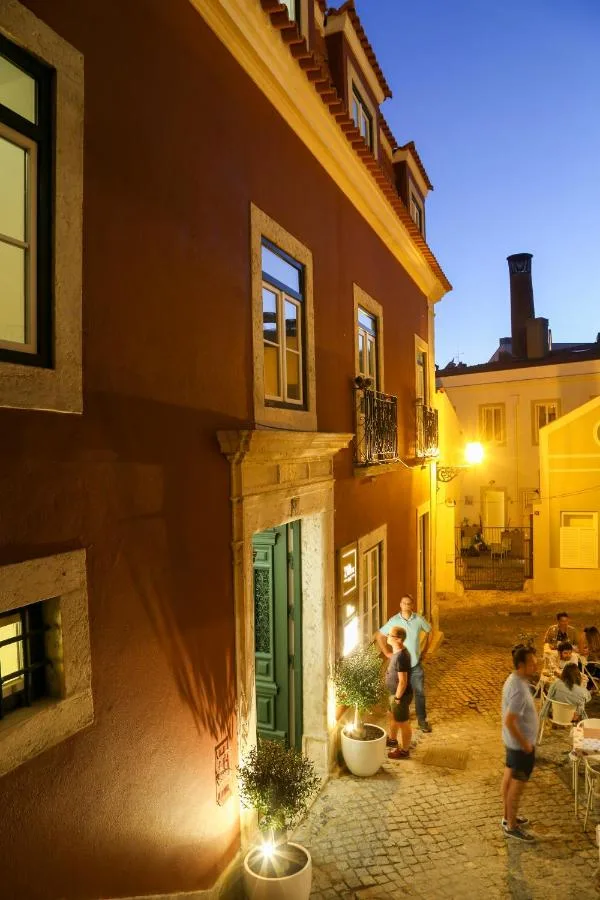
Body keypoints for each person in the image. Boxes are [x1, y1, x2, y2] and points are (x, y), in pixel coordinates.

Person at [376, 594, 433, 732]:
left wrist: (425, 650)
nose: (406, 605)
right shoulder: (394, 621)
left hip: (414, 664)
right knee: (400, 693)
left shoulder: (419, 620)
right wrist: (386, 653)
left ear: (412, 606)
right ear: (400, 605)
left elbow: (430, 631)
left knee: (419, 693)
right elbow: (379, 635)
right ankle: (401, 718)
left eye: (409, 603)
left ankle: (422, 720)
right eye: (404, 603)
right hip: (400, 667)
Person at [501, 644, 538, 843]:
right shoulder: (518, 690)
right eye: (532, 663)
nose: (536, 666)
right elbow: (510, 719)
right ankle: (512, 826)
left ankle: (508, 817)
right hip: (520, 746)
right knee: (516, 786)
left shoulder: (515, 680)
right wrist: (525, 743)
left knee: (508, 780)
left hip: (512, 743)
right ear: (521, 665)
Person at [385, 626, 413, 760]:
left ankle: (404, 751)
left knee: (403, 722)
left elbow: (403, 681)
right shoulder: (397, 653)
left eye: (390, 635)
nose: (387, 637)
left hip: (399, 696)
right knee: (392, 716)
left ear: (399, 639)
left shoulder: (401, 657)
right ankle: (392, 740)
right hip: (393, 693)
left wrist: (397, 698)